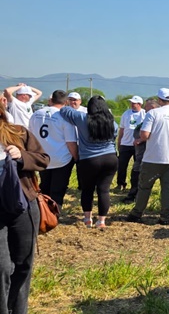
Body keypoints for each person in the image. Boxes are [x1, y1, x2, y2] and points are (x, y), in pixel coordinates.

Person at [0, 100, 50, 314]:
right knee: (1, 266)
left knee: (23, 263)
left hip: (23, 205)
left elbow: (43, 159)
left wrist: (22, 156)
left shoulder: (18, 132)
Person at [126, 89, 169, 225]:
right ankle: (165, 216)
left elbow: (144, 135)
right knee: (167, 188)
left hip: (153, 157)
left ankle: (137, 213)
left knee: (145, 186)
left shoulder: (153, 113)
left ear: (159, 100)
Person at [59, 96, 118, 229]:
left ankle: (87, 219)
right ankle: (101, 221)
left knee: (87, 189)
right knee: (104, 190)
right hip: (110, 158)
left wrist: (68, 102)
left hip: (89, 159)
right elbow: (114, 137)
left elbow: (64, 111)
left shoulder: (82, 118)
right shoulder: (112, 122)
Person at [28, 90, 78, 209]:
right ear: (66, 102)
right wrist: (76, 157)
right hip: (61, 159)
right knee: (58, 190)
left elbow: (30, 136)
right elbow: (70, 142)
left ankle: (43, 212)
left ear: (51, 100)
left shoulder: (36, 114)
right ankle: (54, 214)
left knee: (44, 187)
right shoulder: (64, 117)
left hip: (42, 157)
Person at [124, 98, 158, 203]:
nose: (144, 108)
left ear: (152, 107)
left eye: (146, 106)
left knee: (137, 173)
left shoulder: (153, 117)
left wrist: (141, 139)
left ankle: (133, 196)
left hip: (144, 152)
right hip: (143, 152)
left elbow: (148, 133)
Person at [115, 96, 146, 192]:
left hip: (138, 144)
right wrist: (119, 141)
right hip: (126, 143)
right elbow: (122, 129)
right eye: (131, 103)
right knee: (122, 165)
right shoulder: (126, 114)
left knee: (138, 167)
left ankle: (136, 185)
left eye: (134, 103)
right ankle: (121, 183)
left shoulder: (144, 114)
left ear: (139, 104)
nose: (132, 104)